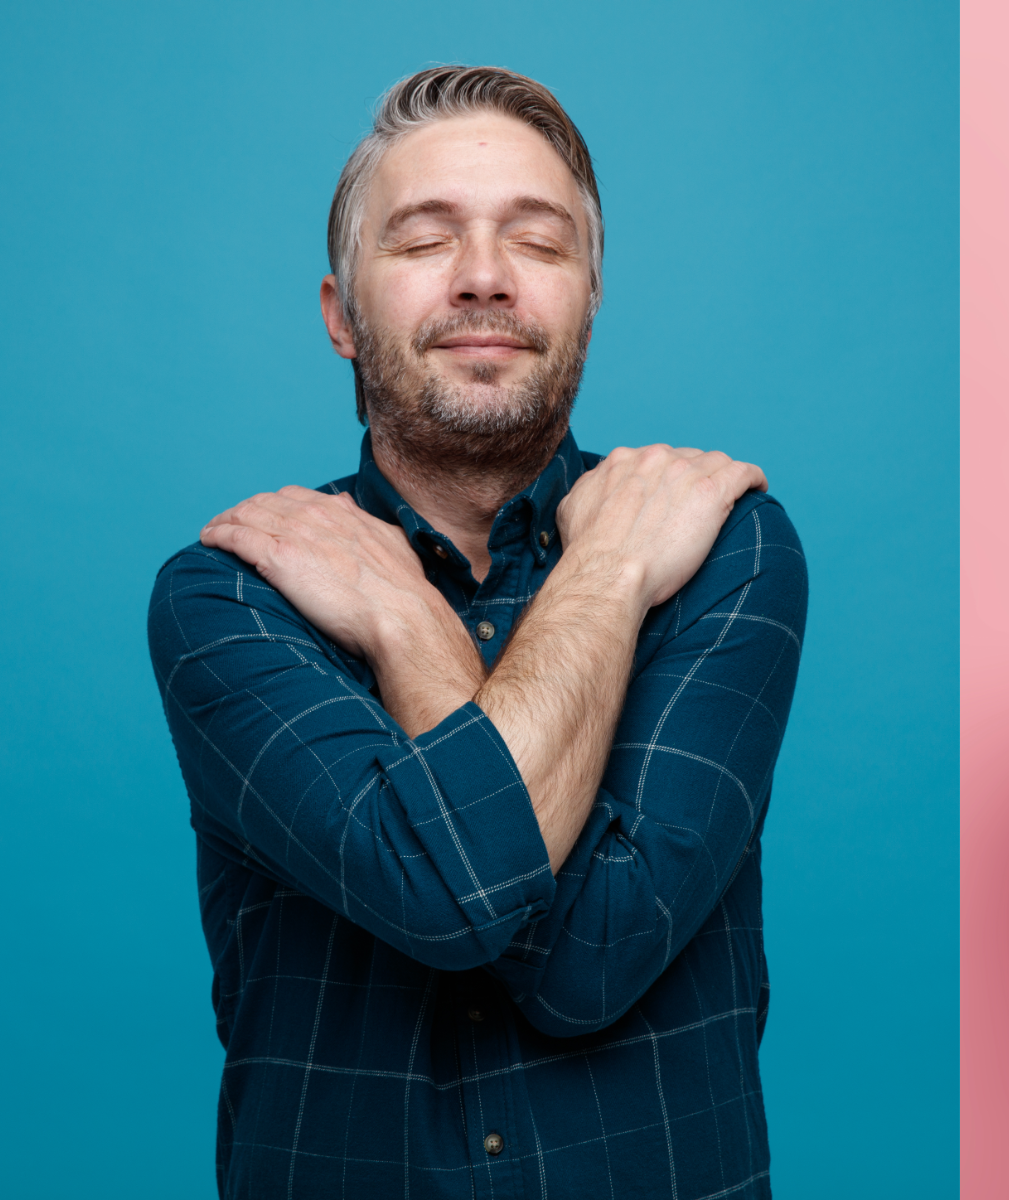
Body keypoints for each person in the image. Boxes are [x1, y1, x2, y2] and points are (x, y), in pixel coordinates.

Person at [147, 66, 805, 1199]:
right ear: (340, 314)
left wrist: (420, 615)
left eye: (538, 244)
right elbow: (458, 890)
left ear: (590, 298)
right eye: (424, 241)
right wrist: (559, 585)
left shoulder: (719, 546)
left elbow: (588, 960)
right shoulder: (231, 595)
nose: (486, 279)